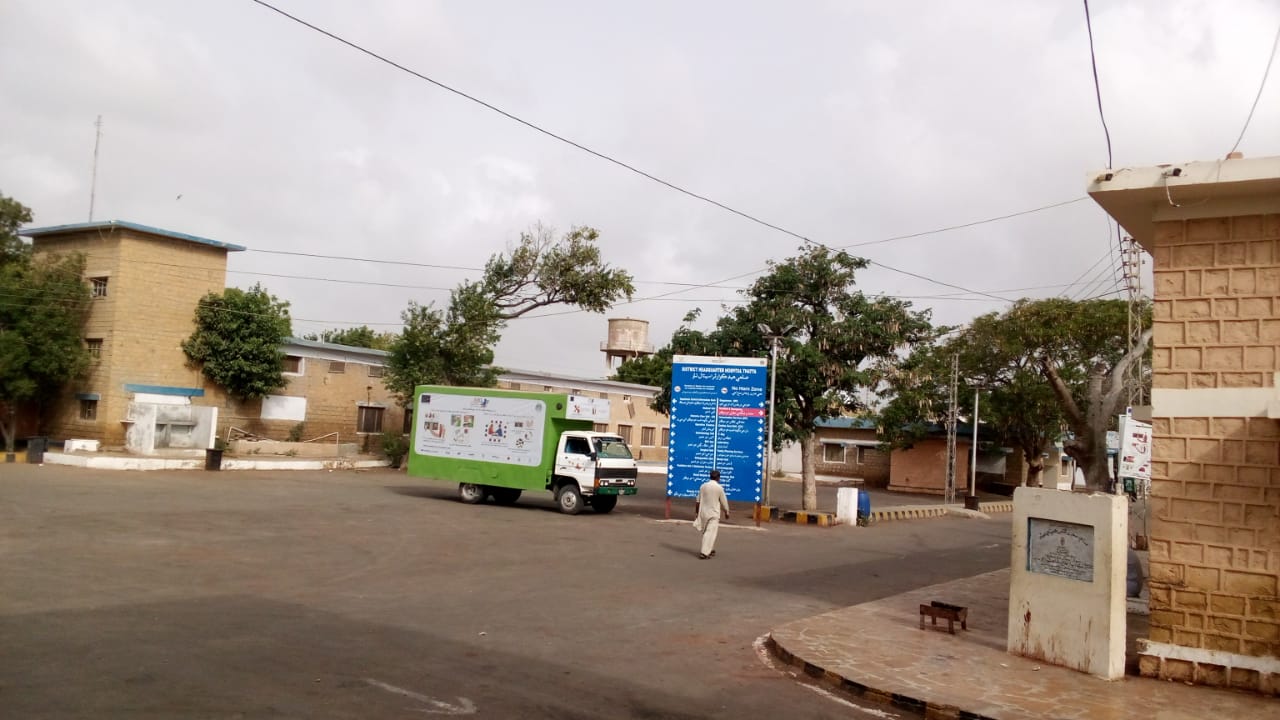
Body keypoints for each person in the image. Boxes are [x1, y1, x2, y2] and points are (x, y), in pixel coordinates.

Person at [693, 469, 730, 559]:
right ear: (718, 478)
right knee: (710, 533)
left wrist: (697, 512)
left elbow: (698, 501)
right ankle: (704, 553)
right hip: (713, 514)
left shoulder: (703, 486)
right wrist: (727, 512)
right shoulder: (719, 488)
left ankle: (711, 549)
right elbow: (724, 502)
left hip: (703, 513)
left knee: (707, 532)